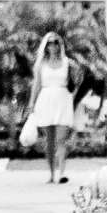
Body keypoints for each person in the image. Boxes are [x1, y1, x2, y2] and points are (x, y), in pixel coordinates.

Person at [23, 29, 76, 183]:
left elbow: (76, 80)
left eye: (56, 42)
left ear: (60, 45)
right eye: (50, 43)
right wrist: (31, 104)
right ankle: (52, 174)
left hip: (62, 100)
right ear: (45, 46)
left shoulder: (68, 63)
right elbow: (36, 85)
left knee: (61, 140)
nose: (53, 46)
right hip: (45, 101)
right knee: (49, 141)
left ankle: (61, 174)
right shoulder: (41, 65)